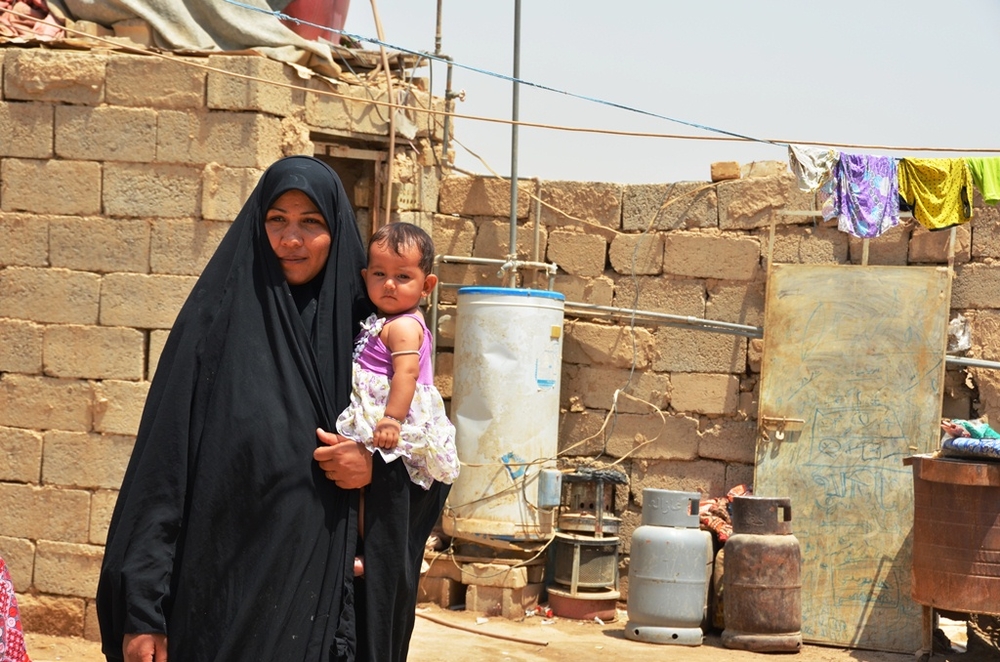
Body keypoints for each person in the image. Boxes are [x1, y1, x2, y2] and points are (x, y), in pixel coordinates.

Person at [96, 155, 450, 662]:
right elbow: (163, 476)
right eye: (276, 220)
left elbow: (433, 465)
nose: (291, 238)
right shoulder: (212, 327)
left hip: (329, 612)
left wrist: (373, 473)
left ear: (337, 230)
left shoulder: (369, 334)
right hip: (221, 600)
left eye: (311, 223)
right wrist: (143, 612)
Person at [335, 223, 460, 575]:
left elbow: (406, 375)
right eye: (379, 273)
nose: (389, 284)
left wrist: (391, 418)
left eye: (402, 276)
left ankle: (370, 555)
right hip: (379, 413)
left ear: (427, 285)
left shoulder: (404, 325)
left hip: (391, 417)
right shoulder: (382, 320)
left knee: (368, 493)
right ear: (365, 276)